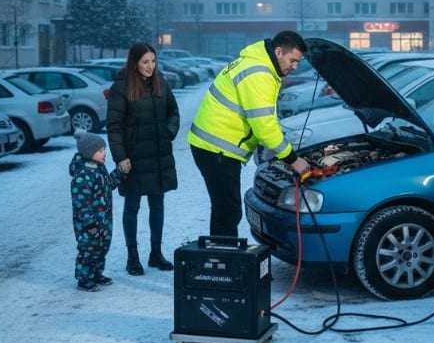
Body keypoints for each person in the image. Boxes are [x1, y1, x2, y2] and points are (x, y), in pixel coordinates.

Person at [188, 30, 310, 237]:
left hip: (212, 146)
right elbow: (263, 125)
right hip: (217, 149)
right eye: (293, 60)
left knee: (223, 209)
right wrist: (292, 159)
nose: (295, 67)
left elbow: (266, 119)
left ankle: (220, 257)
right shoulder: (259, 73)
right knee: (228, 211)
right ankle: (224, 261)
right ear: (279, 51)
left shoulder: (258, 65)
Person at [106, 42, 180, 275]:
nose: (150, 66)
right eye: (145, 62)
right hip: (134, 158)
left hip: (158, 155)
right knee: (132, 206)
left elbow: (173, 112)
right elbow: (114, 126)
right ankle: (133, 256)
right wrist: (121, 157)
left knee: (157, 205)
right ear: (134, 62)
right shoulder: (122, 86)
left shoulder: (161, 82)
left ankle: (156, 254)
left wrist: (168, 132)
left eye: (153, 61)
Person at [69, 130, 125, 292]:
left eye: (104, 150)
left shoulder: (99, 169)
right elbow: (81, 204)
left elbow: (108, 185)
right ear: (88, 152)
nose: (104, 153)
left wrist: (120, 173)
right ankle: (84, 279)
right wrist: (89, 223)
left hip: (104, 219)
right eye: (100, 151)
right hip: (89, 223)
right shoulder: (82, 176)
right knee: (88, 249)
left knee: (102, 248)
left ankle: (96, 273)